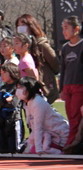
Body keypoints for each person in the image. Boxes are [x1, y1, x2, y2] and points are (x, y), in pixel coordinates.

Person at [17, 77, 68, 155]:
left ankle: (62, 153)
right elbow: (34, 128)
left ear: (29, 88)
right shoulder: (28, 103)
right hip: (49, 134)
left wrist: (38, 149)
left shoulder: (38, 103)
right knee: (31, 149)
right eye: (17, 87)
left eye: (20, 87)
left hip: (60, 136)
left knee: (36, 150)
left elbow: (38, 126)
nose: (18, 90)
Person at [16, 14, 60, 103]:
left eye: (23, 25)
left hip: (44, 86)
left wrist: (48, 76)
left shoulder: (41, 44)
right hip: (27, 87)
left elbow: (55, 62)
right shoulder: (19, 46)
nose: (20, 28)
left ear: (31, 26)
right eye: (18, 26)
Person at [59, 16, 83, 148]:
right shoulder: (65, 48)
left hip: (79, 85)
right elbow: (63, 69)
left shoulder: (82, 46)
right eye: (63, 28)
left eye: (66, 28)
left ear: (76, 29)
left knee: (75, 115)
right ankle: (73, 141)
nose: (64, 31)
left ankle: (73, 143)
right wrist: (61, 88)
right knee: (70, 115)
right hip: (67, 86)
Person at [0, 63, 24, 154]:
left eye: (4, 73)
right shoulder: (2, 88)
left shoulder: (18, 86)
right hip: (3, 120)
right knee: (3, 149)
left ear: (12, 72)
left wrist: (4, 101)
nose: (1, 75)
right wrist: (5, 101)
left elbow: (14, 103)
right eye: (0, 73)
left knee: (14, 148)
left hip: (14, 119)